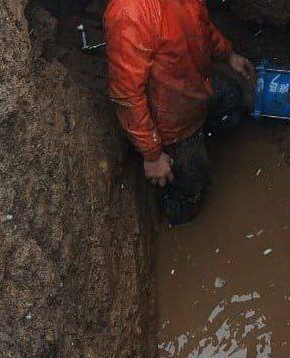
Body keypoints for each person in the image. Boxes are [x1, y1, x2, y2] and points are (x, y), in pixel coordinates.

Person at [104, 0, 254, 224]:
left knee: (231, 99)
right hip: (172, 125)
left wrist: (228, 54)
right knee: (193, 188)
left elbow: (201, 26)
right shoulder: (129, 13)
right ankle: (177, 216)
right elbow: (127, 95)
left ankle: (208, 140)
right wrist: (152, 154)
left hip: (197, 89)